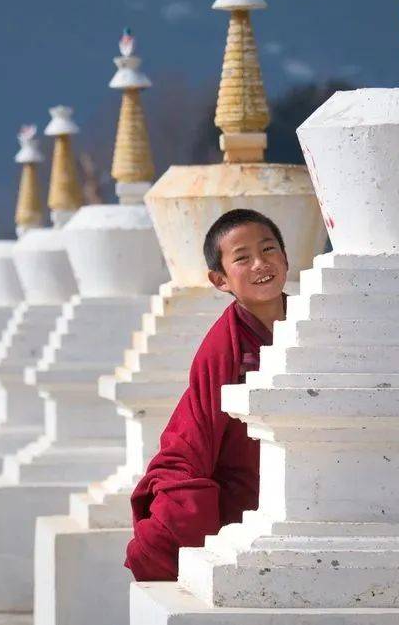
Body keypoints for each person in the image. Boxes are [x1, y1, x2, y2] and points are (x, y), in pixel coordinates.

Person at [125, 208, 289, 581]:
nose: (260, 264)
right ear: (221, 280)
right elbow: (196, 438)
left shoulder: (308, 322)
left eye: (268, 250)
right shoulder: (223, 347)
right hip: (245, 494)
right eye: (242, 258)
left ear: (286, 258)